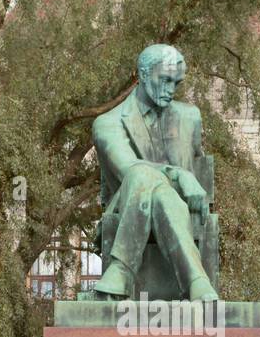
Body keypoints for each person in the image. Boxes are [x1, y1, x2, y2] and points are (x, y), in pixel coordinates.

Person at [88, 44, 218, 301]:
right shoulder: (107, 124)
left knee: (161, 195)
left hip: (181, 209)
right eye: (165, 80)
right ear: (144, 74)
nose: (171, 90)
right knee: (141, 175)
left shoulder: (190, 118)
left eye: (176, 83)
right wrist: (180, 175)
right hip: (129, 208)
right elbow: (129, 169)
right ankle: (196, 279)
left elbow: (200, 167)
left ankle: (121, 269)